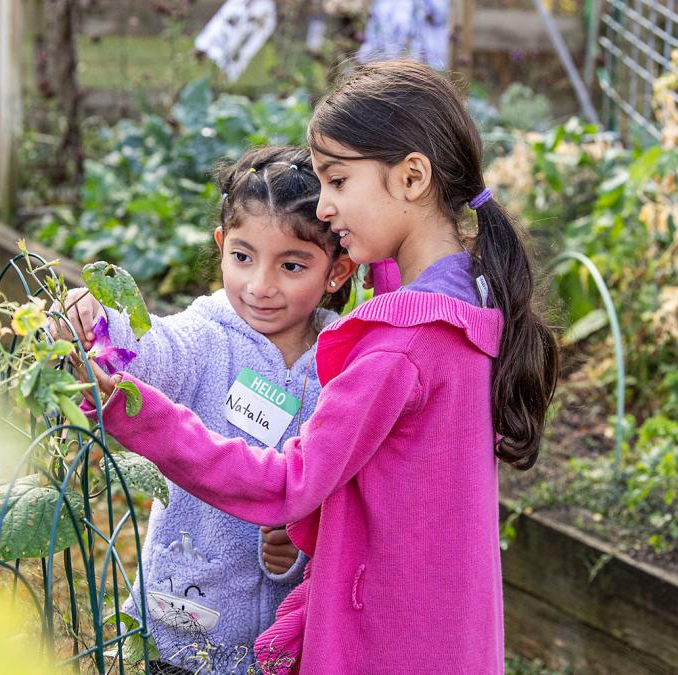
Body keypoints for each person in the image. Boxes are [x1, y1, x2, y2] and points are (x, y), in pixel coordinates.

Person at [79, 60, 560, 674]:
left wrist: (130, 407)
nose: (326, 207)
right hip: (444, 638)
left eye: (337, 181)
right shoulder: (466, 303)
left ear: (412, 176)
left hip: (385, 644)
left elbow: (288, 483)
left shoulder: (397, 351)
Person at [56, 146, 360, 673]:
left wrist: (301, 544)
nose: (260, 285)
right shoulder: (205, 337)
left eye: (291, 265)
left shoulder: (346, 362)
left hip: (292, 640)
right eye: (243, 257)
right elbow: (151, 351)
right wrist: (95, 320)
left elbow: (346, 486)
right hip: (186, 622)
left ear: (336, 272)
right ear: (222, 246)